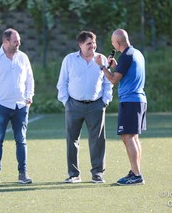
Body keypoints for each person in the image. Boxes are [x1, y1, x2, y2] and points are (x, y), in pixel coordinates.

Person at [56, 31, 113, 184]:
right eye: (89, 43)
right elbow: (62, 83)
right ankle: (74, 174)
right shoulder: (69, 60)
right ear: (80, 45)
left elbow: (108, 82)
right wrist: (66, 102)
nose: (92, 46)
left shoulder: (101, 59)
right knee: (72, 140)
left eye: (94, 43)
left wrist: (105, 101)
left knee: (98, 140)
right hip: (73, 105)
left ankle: (98, 174)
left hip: (96, 105)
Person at [95, 29, 147, 186]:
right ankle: (135, 171)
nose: (112, 44)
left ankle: (137, 175)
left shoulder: (126, 56)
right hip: (138, 100)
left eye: (112, 41)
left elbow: (113, 80)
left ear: (118, 43)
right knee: (133, 137)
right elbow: (125, 72)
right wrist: (116, 66)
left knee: (127, 137)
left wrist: (102, 67)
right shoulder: (136, 53)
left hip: (130, 101)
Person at [0, 28, 35, 184]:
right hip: (1, 107)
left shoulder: (23, 57)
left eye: (18, 40)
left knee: (21, 140)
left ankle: (23, 174)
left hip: (20, 106)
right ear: (6, 42)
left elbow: (30, 79)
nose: (19, 43)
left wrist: (28, 97)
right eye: (15, 41)